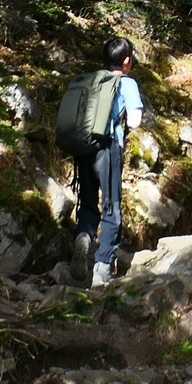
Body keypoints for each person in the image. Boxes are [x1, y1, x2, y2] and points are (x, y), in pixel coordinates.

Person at [71, 36, 143, 288]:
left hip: (84, 147)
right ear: (125, 61)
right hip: (109, 148)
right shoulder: (127, 83)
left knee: (89, 202)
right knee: (111, 206)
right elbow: (134, 120)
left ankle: (83, 237)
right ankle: (102, 270)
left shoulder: (93, 80)